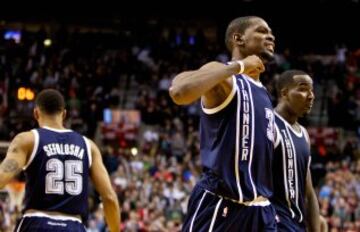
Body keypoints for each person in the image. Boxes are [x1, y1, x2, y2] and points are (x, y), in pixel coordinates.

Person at [169, 16, 277, 231]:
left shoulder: (263, 92)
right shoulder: (226, 77)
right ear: (239, 39)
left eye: (271, 32)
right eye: (262, 31)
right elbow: (178, 91)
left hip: (261, 211)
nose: (270, 36)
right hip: (221, 206)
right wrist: (238, 66)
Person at [0, 89, 120, 232]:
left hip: (36, 223)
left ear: (36, 113)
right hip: (74, 226)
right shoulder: (89, 146)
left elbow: (1, 177)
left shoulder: (27, 140)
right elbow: (109, 197)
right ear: (64, 114)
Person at [271, 70, 320, 231]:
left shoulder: (304, 134)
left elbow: (309, 193)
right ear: (284, 93)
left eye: (311, 90)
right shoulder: (267, 125)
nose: (311, 95)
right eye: (303, 88)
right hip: (273, 223)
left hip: (297, 225)